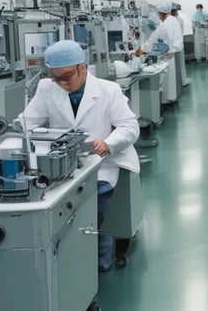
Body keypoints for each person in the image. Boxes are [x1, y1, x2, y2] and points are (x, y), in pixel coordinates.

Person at [18, 40, 140, 272]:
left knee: (92, 206)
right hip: (61, 164)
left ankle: (99, 256)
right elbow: (28, 122)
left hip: (101, 162)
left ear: (82, 68)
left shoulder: (108, 90)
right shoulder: (47, 88)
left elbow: (129, 127)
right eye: (56, 79)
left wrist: (107, 143)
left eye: (66, 78)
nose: (61, 84)